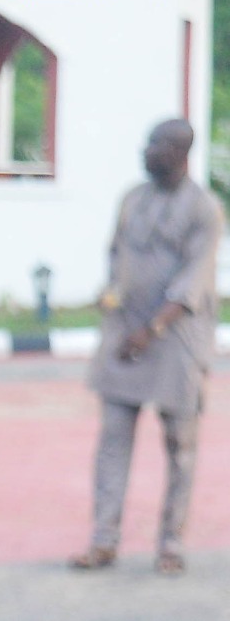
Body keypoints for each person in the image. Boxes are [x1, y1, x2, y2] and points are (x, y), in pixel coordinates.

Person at [71, 118, 222, 575]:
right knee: (112, 441)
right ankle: (103, 541)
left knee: (180, 447)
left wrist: (151, 329)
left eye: (155, 145)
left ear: (180, 152)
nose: (146, 151)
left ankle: (171, 545)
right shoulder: (133, 198)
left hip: (175, 341)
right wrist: (111, 299)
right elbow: (116, 258)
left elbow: (193, 282)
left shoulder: (204, 209)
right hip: (124, 337)